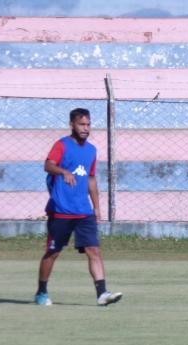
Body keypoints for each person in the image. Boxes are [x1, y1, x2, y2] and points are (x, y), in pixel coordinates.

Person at [34, 108, 122, 307]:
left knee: (94, 250)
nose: (85, 128)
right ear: (72, 125)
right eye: (81, 124)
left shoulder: (91, 150)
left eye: (88, 124)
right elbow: (48, 165)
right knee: (53, 253)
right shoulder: (62, 145)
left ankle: (102, 293)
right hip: (61, 210)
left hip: (84, 211)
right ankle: (41, 291)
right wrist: (63, 171)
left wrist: (97, 207)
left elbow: (91, 179)